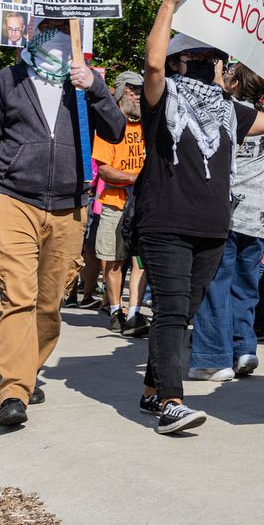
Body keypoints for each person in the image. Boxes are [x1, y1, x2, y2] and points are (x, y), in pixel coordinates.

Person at [134, 0, 264, 436]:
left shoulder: (228, 109)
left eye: (216, 59)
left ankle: (151, 388)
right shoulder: (163, 95)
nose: (211, 66)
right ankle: (171, 402)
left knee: (183, 313)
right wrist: (168, 4)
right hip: (166, 223)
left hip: (212, 227)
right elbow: (151, 66)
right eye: (200, 59)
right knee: (171, 311)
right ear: (179, 62)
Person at [0, 18, 125, 428]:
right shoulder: (9, 79)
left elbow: (117, 131)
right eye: (48, 24)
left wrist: (96, 87)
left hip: (70, 207)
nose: (57, 33)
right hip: (15, 200)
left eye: (64, 25)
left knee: (49, 303)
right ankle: (14, 390)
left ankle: (28, 368)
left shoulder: (84, 82)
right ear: (34, 29)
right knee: (18, 295)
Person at [189, 62, 264, 380]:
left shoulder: (225, 112)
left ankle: (214, 356)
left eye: (229, 74)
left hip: (226, 213)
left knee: (216, 285)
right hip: (259, 213)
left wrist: (215, 77)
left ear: (236, 83)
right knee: (246, 288)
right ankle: (244, 348)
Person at [93, 71, 149, 336]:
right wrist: (137, 178)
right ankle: (116, 310)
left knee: (141, 261)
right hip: (115, 203)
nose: (137, 95)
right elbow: (104, 170)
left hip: (144, 205)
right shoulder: (109, 126)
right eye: (131, 89)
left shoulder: (149, 124)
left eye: (140, 90)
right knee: (113, 261)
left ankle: (135, 313)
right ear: (118, 92)